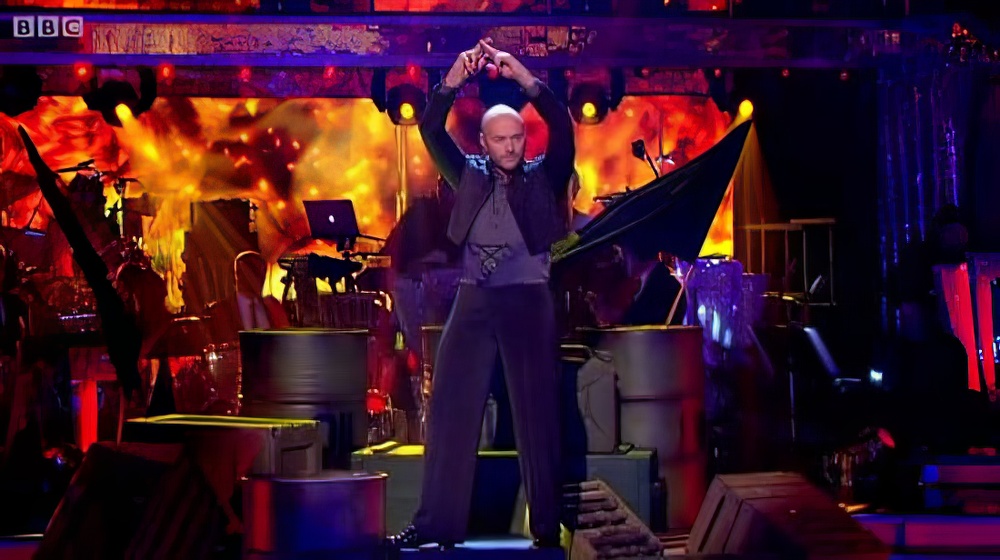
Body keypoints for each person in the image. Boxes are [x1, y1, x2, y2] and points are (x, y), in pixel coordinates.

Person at [388, 39, 574, 550]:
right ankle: (436, 525)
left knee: (537, 411)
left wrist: (526, 81)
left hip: (527, 298)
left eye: (516, 138)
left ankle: (546, 527)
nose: (510, 147)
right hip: (475, 298)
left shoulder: (544, 176)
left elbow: (562, 129)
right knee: (448, 405)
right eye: (500, 140)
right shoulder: (467, 175)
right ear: (485, 143)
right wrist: (450, 82)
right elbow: (431, 130)